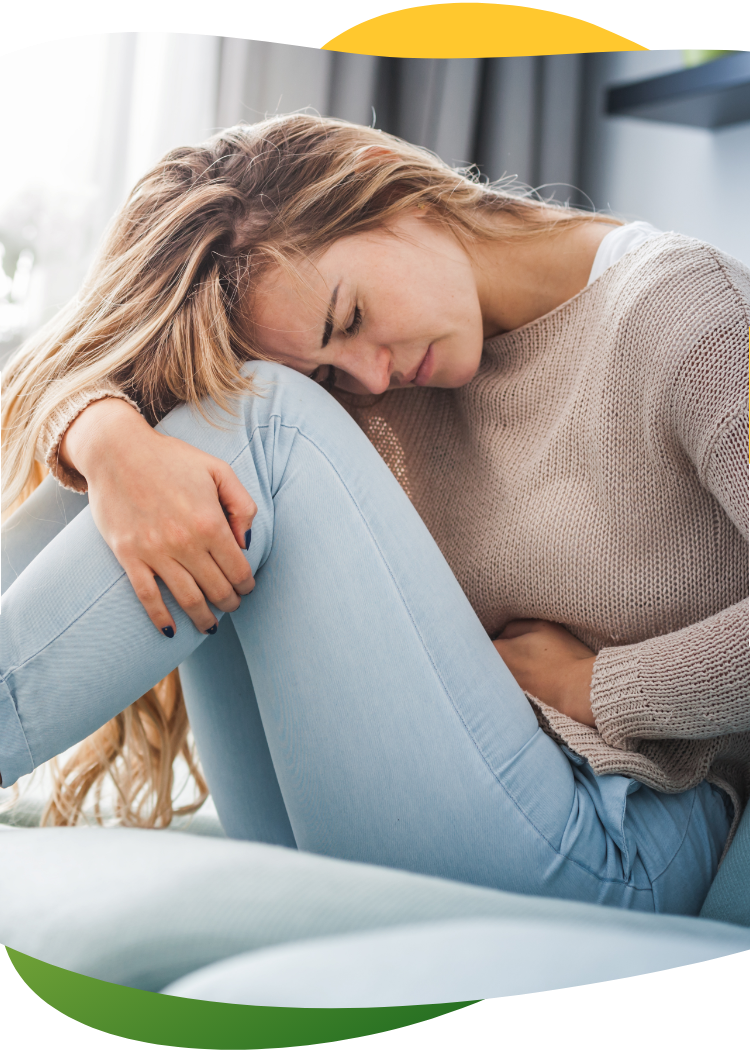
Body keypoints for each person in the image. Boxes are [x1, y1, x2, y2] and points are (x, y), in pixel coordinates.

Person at [1, 115, 747, 916]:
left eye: (349, 318)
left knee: (264, 421)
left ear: (380, 176)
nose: (370, 376)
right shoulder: (368, 381)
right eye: (329, 369)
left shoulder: (691, 317)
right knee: (202, 416)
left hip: (616, 838)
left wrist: (597, 686)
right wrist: (108, 443)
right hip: (415, 798)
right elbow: (72, 371)